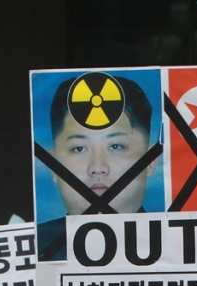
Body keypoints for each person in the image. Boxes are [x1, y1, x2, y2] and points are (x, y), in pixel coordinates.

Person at [37, 74, 159, 259]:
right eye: (79, 148)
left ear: (150, 160)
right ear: (54, 164)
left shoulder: (184, 247)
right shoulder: (29, 252)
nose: (98, 167)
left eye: (116, 146)